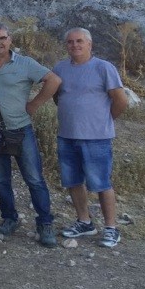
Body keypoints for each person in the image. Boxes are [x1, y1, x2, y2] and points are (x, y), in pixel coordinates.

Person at [0, 22, 61, 247]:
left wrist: (35, 104)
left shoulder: (25, 63)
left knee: (34, 179)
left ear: (10, 39)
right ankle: (9, 218)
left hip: (21, 130)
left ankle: (45, 223)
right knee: (1, 179)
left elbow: (53, 80)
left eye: (2, 38)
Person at [54, 28, 129, 248]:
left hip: (96, 138)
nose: (74, 45)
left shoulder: (104, 68)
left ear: (89, 44)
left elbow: (120, 100)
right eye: (70, 42)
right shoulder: (60, 68)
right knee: (73, 181)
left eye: (79, 41)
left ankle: (111, 228)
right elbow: (58, 97)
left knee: (101, 183)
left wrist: (104, 121)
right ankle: (85, 222)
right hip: (67, 135)